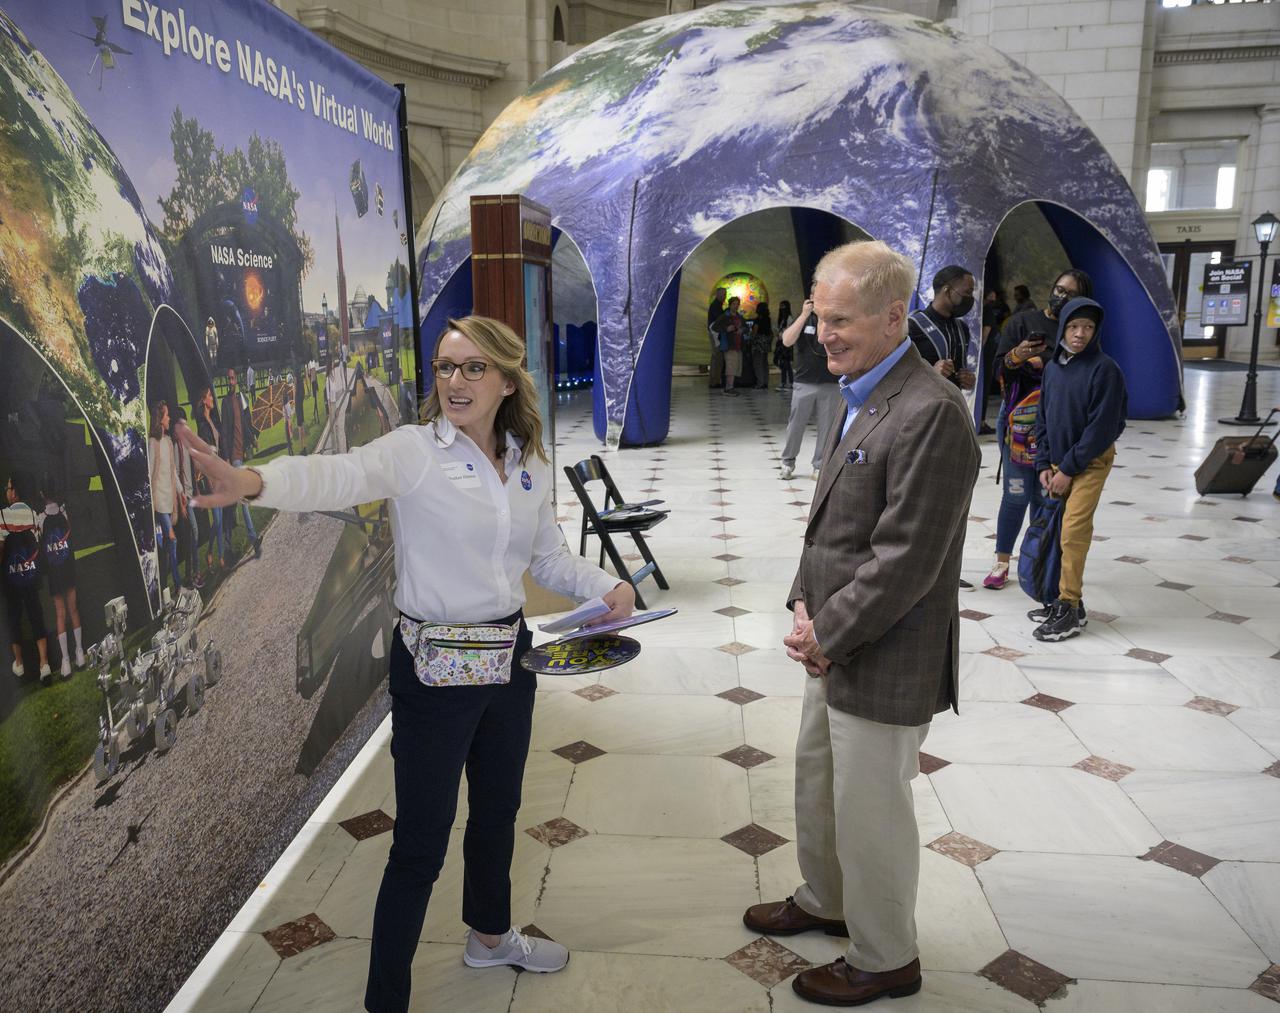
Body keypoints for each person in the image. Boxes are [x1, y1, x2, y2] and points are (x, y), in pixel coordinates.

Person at [182, 315, 636, 1013]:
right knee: (419, 843)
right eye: (445, 367)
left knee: (497, 811)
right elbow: (334, 474)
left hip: (508, 660)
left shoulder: (529, 460)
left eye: (472, 368)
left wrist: (603, 585)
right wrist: (250, 481)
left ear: (507, 381)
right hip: (433, 672)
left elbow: (545, 556)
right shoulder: (414, 451)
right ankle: (384, 1001)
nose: (454, 381)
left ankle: (489, 937)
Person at [743, 240, 980, 1008]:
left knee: (872, 809)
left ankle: (885, 955)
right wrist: (803, 608)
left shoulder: (931, 411)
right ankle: (826, 898)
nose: (824, 336)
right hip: (835, 642)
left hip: (884, 651)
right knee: (821, 784)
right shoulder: (864, 390)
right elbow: (832, 529)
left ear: (892, 315)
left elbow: (906, 558)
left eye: (840, 320)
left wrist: (827, 630)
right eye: (819, 319)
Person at [984, 268, 1092, 590]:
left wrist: (1046, 362)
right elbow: (998, 369)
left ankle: (1037, 559)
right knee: (1016, 495)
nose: (1061, 296)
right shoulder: (1022, 322)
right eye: (1059, 289)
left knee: (1045, 497)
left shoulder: (1077, 331)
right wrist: (1019, 356)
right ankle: (1002, 562)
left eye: (1071, 294)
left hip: (1058, 423)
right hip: (1018, 420)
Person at [1030, 297, 1127, 642]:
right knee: (1056, 532)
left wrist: (1068, 468)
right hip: (1058, 462)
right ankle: (1063, 599)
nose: (1080, 334)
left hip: (1090, 462)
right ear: (1063, 329)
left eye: (1087, 327)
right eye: (1073, 327)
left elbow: (1103, 428)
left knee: (1073, 530)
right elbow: (1043, 416)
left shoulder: (1105, 369)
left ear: (1096, 331)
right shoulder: (1055, 366)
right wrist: (1044, 462)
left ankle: (1068, 607)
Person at [778, 291, 842, 480]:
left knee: (827, 427)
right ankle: (787, 462)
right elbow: (787, 340)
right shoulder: (804, 319)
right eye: (816, 294)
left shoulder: (836, 319)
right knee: (795, 424)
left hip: (831, 382)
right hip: (804, 381)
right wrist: (804, 314)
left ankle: (820, 465)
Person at [2, 473, 51, 682]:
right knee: (35, 615)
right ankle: (44, 664)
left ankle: (19, 664)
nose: (6, 491)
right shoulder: (32, 515)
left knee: (14, 618)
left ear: (14, 492)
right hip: (30, 575)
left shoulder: (2, 516)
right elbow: (37, 543)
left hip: (11, 578)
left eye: (8, 487)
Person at [907, 265, 976, 394]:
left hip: (953, 405)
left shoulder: (962, 329)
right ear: (947, 290)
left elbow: (960, 370)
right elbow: (897, 374)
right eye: (967, 292)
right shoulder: (912, 326)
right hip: (921, 405)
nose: (970, 298)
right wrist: (931, 373)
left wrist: (967, 379)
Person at [39, 484, 84, 677]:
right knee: (66, 611)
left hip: (64, 567)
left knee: (65, 612)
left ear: (42, 494)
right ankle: (68, 657)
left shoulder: (62, 513)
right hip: (57, 569)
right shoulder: (42, 519)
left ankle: (77, 653)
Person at [219, 369, 262, 560]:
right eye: (228, 378)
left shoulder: (242, 398)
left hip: (241, 453)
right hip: (233, 457)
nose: (231, 381)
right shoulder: (226, 403)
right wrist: (227, 457)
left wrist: (252, 439)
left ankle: (227, 544)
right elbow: (225, 431)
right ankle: (253, 538)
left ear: (237, 380)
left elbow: (245, 424)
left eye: (233, 378)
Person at [147, 401, 184, 598]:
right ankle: (177, 585)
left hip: (170, 501)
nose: (169, 418)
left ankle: (165, 589)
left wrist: (180, 493)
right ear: (160, 419)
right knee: (172, 539)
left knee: (168, 549)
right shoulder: (152, 444)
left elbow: (173, 473)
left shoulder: (168, 443)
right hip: (159, 503)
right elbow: (150, 474)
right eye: (167, 415)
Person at [193, 387, 225, 573]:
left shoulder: (211, 420)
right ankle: (218, 556)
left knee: (219, 520)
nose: (212, 398)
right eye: (210, 396)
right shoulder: (202, 425)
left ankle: (215, 554)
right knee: (218, 520)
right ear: (204, 400)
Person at [171, 407, 203, 589]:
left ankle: (190, 574)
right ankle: (194, 574)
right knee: (194, 532)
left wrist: (197, 490)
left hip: (192, 493)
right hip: (184, 497)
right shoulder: (176, 446)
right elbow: (176, 473)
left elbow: (191, 469)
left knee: (193, 535)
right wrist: (182, 497)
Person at [713, 296, 746, 396]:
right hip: (729, 345)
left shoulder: (739, 317)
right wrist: (726, 328)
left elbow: (746, 327)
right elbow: (715, 327)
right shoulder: (725, 316)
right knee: (730, 366)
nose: (736, 306)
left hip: (738, 345)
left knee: (736, 366)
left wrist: (742, 330)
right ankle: (728, 388)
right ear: (730, 305)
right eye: (734, 304)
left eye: (737, 304)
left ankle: (730, 386)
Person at [707, 287, 727, 390]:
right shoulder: (715, 305)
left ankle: (715, 380)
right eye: (723, 294)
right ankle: (714, 382)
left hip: (716, 333)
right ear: (717, 294)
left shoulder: (718, 305)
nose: (725, 296)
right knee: (717, 357)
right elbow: (719, 320)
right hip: (715, 334)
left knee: (717, 358)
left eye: (725, 294)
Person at [752, 302, 774, 389]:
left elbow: (755, 331)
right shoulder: (768, 319)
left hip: (758, 344)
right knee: (764, 363)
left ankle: (760, 383)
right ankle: (765, 382)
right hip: (766, 343)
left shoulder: (758, 319)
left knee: (758, 363)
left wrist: (751, 338)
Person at [774, 299, 795, 390]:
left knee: (787, 364)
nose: (781, 309)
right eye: (780, 306)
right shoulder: (782, 319)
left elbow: (789, 330)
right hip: (781, 342)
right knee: (783, 364)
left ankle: (789, 382)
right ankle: (785, 382)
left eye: (783, 307)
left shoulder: (789, 318)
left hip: (787, 343)